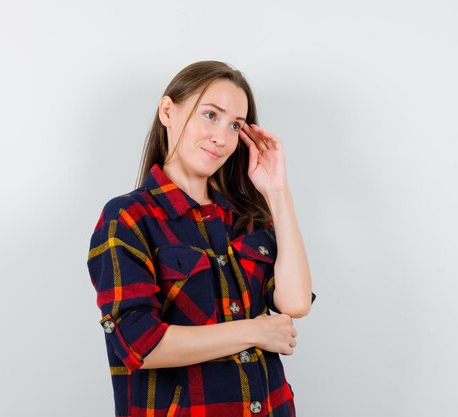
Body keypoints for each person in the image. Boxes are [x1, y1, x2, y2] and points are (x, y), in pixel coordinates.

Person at [86, 60, 316, 417]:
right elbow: (139, 345)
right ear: (168, 111)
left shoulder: (245, 219)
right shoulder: (128, 217)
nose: (221, 138)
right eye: (211, 115)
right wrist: (255, 331)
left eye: (235, 125)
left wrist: (277, 191)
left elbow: (296, 303)